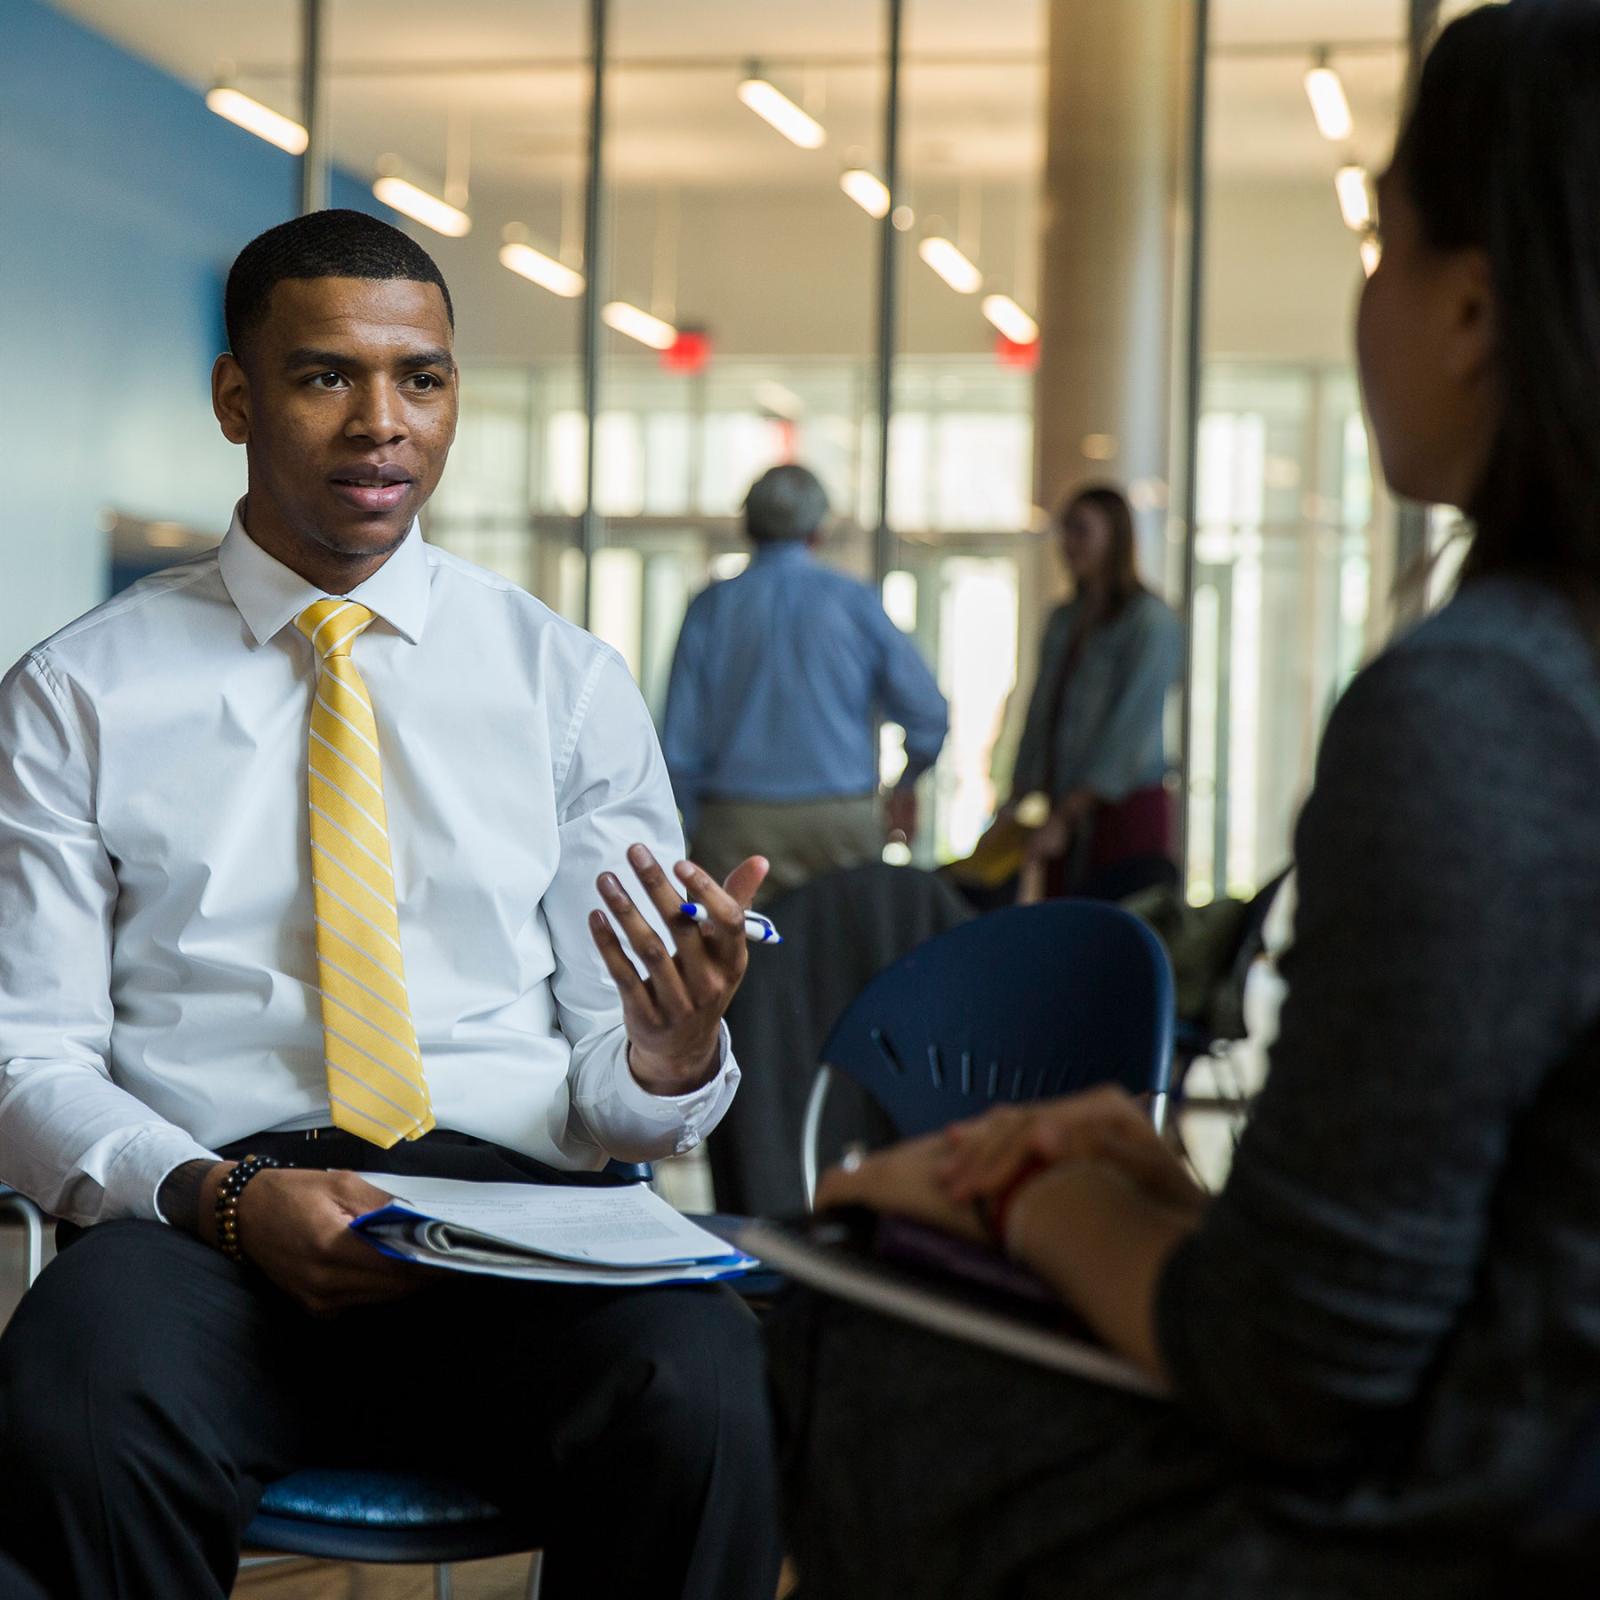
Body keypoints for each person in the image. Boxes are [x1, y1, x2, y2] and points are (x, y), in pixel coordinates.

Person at [772, 4, 1600, 1595]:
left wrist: (1035, 1190)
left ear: (1477, 306)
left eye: (1387, 242)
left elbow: (1308, 1366)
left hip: (1461, 1521)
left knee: (845, 1297)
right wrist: (1171, 1196)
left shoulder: (1483, 706)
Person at [0, 209, 780, 1600]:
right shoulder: (77, 694)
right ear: (238, 398)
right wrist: (220, 1196)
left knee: (708, 1387)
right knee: (72, 1388)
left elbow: (617, 1083)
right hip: (211, 1215)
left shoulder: (564, 682)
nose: (383, 423)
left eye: (422, 379)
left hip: (511, 1218)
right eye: (324, 378)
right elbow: (27, 1053)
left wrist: (666, 1059)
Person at [661, 464, 949, 903]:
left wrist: (699, 819)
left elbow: (678, 742)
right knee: (849, 964)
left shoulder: (711, 607)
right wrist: (906, 784)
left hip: (735, 821)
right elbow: (928, 713)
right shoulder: (855, 602)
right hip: (841, 821)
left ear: (747, 528)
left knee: (734, 967)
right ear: (819, 531)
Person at [999, 483, 1182, 898]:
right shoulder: (1064, 620)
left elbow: (1129, 731)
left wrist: (1067, 814)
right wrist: (1016, 797)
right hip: (1066, 815)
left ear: (1114, 537)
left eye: (1081, 530)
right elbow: (1041, 711)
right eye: (1065, 531)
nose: (1067, 544)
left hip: (1123, 813)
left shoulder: (1150, 622)